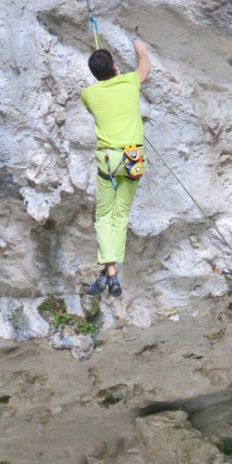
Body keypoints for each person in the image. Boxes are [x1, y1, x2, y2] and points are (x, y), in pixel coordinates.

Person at [80, 40, 151, 298]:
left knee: (104, 216)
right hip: (133, 159)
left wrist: (108, 80)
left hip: (109, 160)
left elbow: (97, 104)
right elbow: (145, 68)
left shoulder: (88, 94)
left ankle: (110, 273)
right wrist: (140, 49)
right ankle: (111, 272)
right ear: (114, 67)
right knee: (120, 215)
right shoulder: (130, 82)